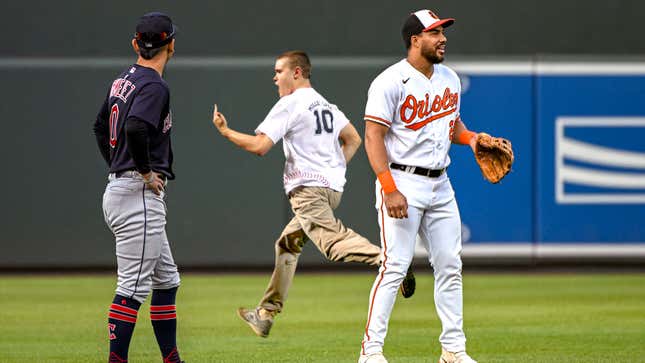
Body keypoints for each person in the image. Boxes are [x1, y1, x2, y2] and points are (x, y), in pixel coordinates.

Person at [210, 50, 415, 338]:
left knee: (332, 242)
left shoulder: (290, 103)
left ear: (296, 72)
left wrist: (226, 131)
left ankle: (391, 261)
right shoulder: (326, 105)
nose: (274, 77)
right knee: (287, 244)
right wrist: (334, 167)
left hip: (308, 191)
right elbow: (353, 138)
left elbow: (260, 146)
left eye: (278, 71)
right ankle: (266, 314)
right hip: (330, 189)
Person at [357, 9, 481, 363]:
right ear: (415, 40)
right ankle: (371, 352)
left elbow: (450, 124)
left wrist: (471, 139)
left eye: (443, 32)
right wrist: (389, 187)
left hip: (441, 182)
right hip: (402, 180)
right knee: (394, 265)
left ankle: (453, 350)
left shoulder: (449, 78)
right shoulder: (390, 81)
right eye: (435, 33)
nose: (442, 38)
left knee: (449, 264)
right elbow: (373, 137)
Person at [93, 12, 185, 363]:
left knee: (166, 280)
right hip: (137, 194)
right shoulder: (154, 84)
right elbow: (133, 128)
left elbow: (101, 127)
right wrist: (143, 172)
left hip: (120, 188)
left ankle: (171, 359)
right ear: (171, 45)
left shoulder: (124, 80)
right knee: (131, 289)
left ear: (136, 44)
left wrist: (118, 165)